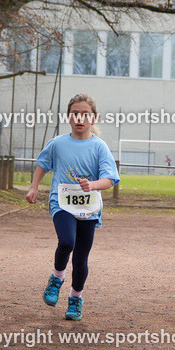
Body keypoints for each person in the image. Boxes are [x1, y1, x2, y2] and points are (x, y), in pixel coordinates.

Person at [26, 93, 120, 321]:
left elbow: (110, 179)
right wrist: (34, 187)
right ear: (69, 117)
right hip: (62, 203)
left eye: (85, 114)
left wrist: (92, 185)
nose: (80, 118)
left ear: (94, 118)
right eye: (75, 114)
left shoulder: (99, 147)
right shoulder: (58, 143)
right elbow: (42, 163)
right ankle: (56, 278)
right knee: (67, 241)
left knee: (80, 259)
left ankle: (75, 299)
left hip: (88, 207)